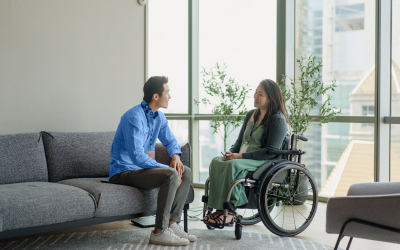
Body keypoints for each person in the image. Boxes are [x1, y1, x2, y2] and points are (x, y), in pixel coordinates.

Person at [109, 76, 197, 246]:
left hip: (141, 171)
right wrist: (168, 169)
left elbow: (171, 141)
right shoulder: (134, 117)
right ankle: (159, 232)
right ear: (156, 96)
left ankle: (172, 223)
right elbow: (137, 158)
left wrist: (176, 157)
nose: (170, 96)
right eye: (167, 92)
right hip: (124, 172)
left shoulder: (159, 117)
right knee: (171, 173)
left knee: (185, 171)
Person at [202, 79, 289, 227]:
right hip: (243, 157)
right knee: (216, 161)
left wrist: (239, 156)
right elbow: (240, 141)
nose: (255, 96)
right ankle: (219, 209)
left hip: (264, 160)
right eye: (255, 92)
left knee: (233, 165)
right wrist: (231, 152)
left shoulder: (277, 119)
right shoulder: (251, 114)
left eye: (260, 94)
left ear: (270, 98)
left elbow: (270, 150)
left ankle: (229, 211)